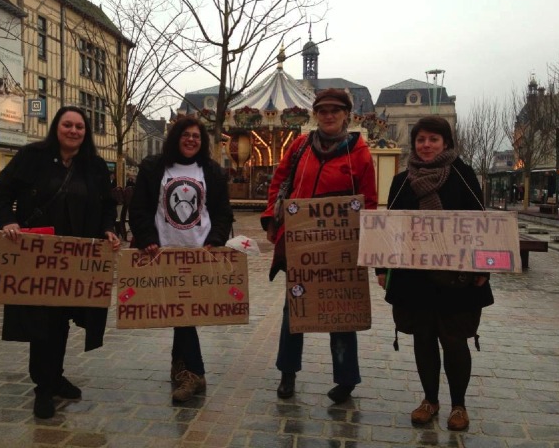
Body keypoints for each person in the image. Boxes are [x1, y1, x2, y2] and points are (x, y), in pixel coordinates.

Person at [0, 106, 121, 419]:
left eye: (79, 126)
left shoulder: (95, 166)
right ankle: (43, 387)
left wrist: (109, 229)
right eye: (68, 125)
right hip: (37, 258)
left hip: (76, 262)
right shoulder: (31, 156)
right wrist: (7, 221)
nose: (73, 131)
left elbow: (106, 207)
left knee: (61, 319)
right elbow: (0, 192)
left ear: (85, 132)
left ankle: (55, 376)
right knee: (41, 322)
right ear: (56, 127)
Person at [376, 115, 494, 431]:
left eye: (433, 139)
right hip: (414, 279)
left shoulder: (464, 175)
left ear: (445, 143)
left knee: (455, 342)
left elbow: (482, 226)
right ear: (414, 144)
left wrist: (484, 267)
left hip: (457, 279)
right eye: (421, 140)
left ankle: (459, 405)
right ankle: (430, 400)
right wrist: (381, 266)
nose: (426, 145)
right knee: (424, 340)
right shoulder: (402, 181)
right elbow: (388, 227)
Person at [261, 88, 378, 403]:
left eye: (335, 110)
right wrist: (274, 218)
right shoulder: (300, 146)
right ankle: (288, 373)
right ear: (316, 114)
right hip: (300, 247)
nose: (328, 115)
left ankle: (346, 378)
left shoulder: (360, 154)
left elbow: (369, 202)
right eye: (323, 110)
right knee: (294, 311)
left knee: (340, 312)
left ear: (346, 116)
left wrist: (362, 242)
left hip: (340, 249)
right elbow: (279, 182)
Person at [128, 116, 233, 402]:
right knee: (181, 310)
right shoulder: (154, 167)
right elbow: (138, 207)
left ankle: (189, 372)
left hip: (201, 252)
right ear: (175, 137)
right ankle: (190, 371)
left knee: (185, 310)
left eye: (196, 137)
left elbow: (223, 211)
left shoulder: (210, 171)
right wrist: (148, 238)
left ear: (203, 142)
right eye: (185, 135)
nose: (191, 140)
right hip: (164, 251)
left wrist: (216, 240)